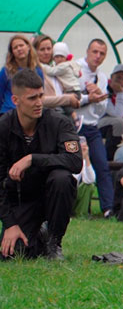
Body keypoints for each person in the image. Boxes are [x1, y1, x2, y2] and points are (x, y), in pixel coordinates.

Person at [0, 69, 82, 260]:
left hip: (52, 195)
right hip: (22, 199)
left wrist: (33, 159)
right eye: (31, 98)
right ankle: (39, 235)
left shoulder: (60, 123)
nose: (39, 103)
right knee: (13, 254)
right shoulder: (3, 128)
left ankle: (54, 241)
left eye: (41, 96)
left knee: (62, 177)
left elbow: (75, 161)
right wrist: (10, 224)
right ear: (15, 100)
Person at [76, 39, 114, 217]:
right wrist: (87, 97)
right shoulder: (75, 69)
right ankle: (75, 206)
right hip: (74, 125)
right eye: (95, 52)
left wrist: (98, 95)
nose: (98, 57)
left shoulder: (102, 77)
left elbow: (101, 109)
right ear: (87, 51)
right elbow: (68, 100)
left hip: (92, 126)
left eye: (102, 54)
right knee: (73, 165)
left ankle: (108, 208)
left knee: (101, 163)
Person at [32, 35, 80, 113]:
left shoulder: (58, 67)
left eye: (49, 49)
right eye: (42, 49)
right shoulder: (35, 71)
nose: (46, 52)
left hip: (64, 113)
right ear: (35, 52)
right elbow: (39, 99)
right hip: (49, 113)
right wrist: (67, 99)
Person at [0, 35, 45, 114]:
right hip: (9, 113)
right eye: (15, 47)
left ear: (28, 47)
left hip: (30, 113)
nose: (19, 49)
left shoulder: (38, 71)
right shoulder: (6, 71)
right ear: (12, 52)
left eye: (21, 45)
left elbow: (41, 95)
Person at [71, 137, 96, 217]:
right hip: (69, 192)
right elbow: (73, 179)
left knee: (89, 186)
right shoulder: (70, 160)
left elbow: (91, 179)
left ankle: (81, 214)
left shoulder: (85, 162)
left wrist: (86, 157)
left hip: (78, 192)